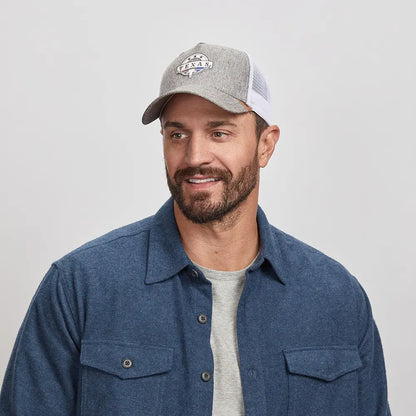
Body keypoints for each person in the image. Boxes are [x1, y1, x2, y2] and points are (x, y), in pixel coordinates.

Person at [0, 42, 391, 416]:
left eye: (219, 132)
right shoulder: (80, 287)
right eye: (177, 134)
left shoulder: (337, 298)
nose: (194, 156)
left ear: (265, 145)